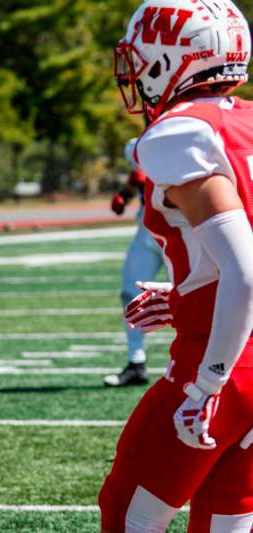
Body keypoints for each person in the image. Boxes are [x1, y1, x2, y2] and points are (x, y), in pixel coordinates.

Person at [99, 1, 253, 531]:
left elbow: (247, 274)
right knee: (225, 517)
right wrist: (188, 299)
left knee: (126, 513)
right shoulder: (249, 121)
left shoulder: (179, 133)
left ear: (170, 60)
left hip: (224, 364)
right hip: (242, 357)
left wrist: (209, 384)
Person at [103, 138, 164, 387]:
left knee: (198, 296)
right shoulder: (137, 144)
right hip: (147, 232)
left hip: (184, 232)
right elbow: (138, 174)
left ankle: (214, 361)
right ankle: (136, 362)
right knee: (131, 293)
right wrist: (125, 194)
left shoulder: (192, 130)